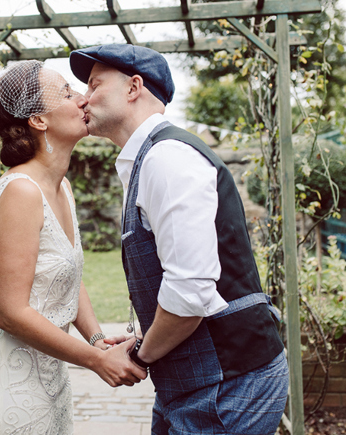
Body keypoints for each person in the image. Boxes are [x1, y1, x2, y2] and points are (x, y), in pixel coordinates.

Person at [69, 44, 289, 435]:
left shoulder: (166, 159)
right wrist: (146, 335)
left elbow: (189, 292)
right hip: (198, 382)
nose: (84, 98)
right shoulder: (149, 159)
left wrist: (141, 354)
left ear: (134, 87)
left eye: (94, 84)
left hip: (228, 385)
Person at [0, 60, 147, 435]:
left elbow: (65, 274)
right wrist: (97, 360)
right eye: (66, 92)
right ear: (39, 120)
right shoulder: (21, 191)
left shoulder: (60, 187)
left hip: (49, 374)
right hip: (9, 382)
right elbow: (10, 313)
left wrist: (98, 337)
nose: (83, 99)